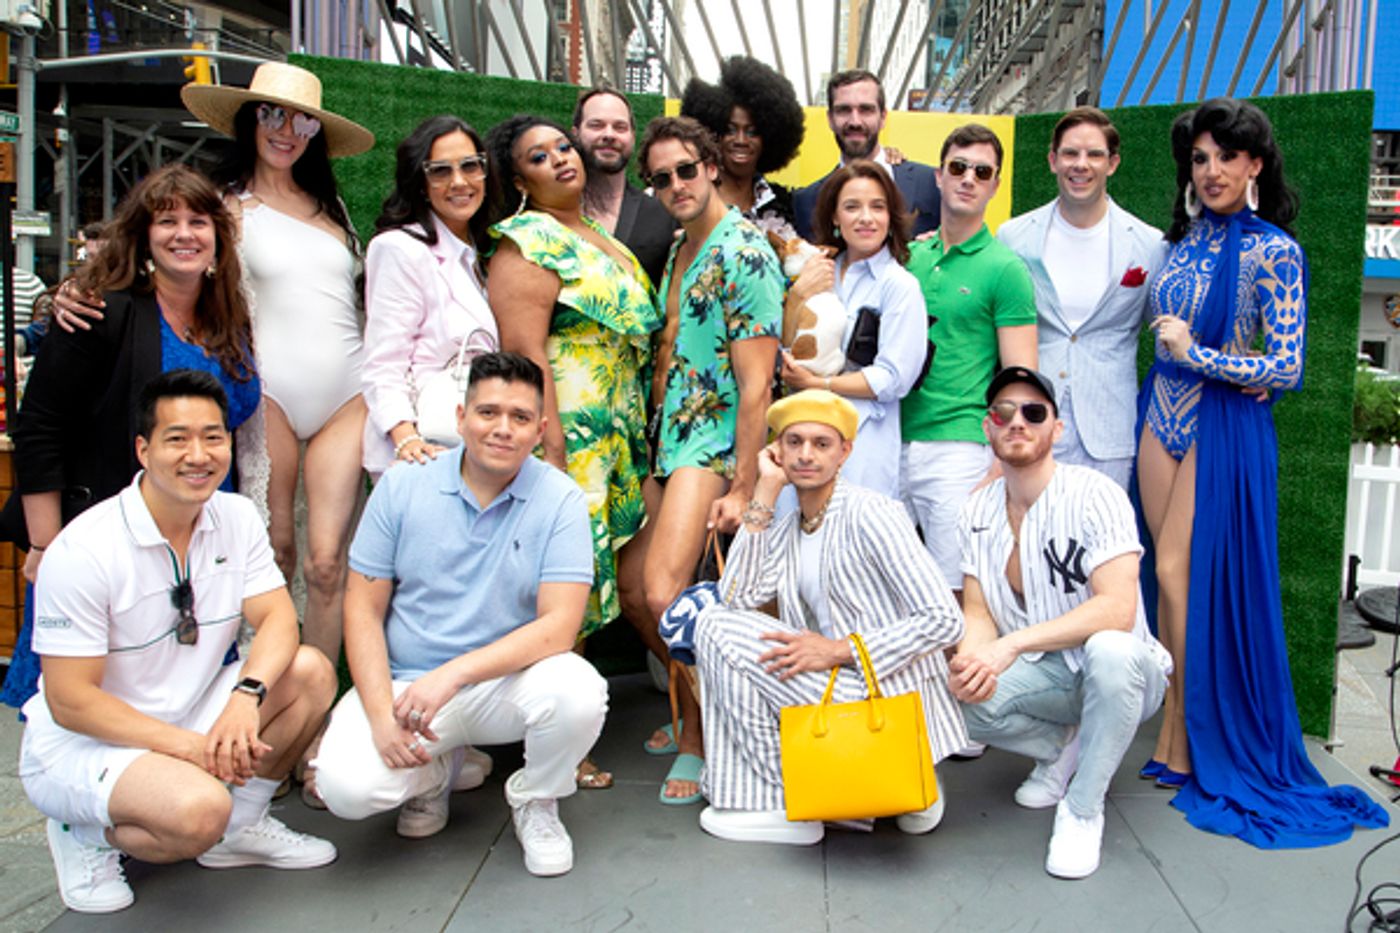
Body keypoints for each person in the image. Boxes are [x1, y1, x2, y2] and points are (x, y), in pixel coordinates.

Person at [1137, 98, 1388, 846]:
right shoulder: (1178, 244)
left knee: (1182, 572)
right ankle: (1177, 723)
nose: (1211, 171)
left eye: (1226, 157)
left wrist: (1199, 354)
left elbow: (1285, 365)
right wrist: (1178, 358)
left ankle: (1185, 732)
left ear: (1255, 164)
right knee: (1164, 575)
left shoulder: (1276, 250)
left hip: (1222, 425)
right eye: (1200, 158)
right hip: (1161, 415)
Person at [19, 369, 337, 914]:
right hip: (89, 744)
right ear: (143, 450)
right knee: (198, 813)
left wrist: (246, 697)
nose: (199, 454)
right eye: (177, 438)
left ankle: (243, 827)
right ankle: (85, 834)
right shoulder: (86, 550)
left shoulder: (234, 515)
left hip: (189, 711)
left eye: (213, 437)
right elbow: (71, 702)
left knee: (310, 671)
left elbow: (279, 620)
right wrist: (191, 750)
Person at [313, 352, 606, 878]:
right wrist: (382, 716)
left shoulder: (560, 499)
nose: (502, 429)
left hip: (502, 682)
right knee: (346, 789)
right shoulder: (403, 485)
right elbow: (362, 608)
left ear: (540, 430)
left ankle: (536, 800)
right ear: (459, 418)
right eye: (488, 412)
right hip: (409, 688)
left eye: (520, 418)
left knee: (578, 690)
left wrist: (453, 675)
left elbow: (559, 627)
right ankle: (432, 775)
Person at [0, 163, 260, 711]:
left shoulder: (227, 319)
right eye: (167, 221)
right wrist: (46, 546)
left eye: (198, 221)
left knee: (182, 698)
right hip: (114, 543)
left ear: (218, 237)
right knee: (88, 704)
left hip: (201, 541)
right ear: (144, 234)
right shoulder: (99, 311)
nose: (184, 234)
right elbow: (40, 426)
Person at [694, 389, 965, 845]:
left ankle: (794, 800)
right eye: (794, 442)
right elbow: (737, 598)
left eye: (822, 444)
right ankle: (804, 796)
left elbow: (944, 620)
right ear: (776, 451)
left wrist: (839, 650)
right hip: (838, 689)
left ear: (846, 452)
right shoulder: (788, 527)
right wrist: (764, 490)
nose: (805, 455)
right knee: (716, 621)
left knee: (714, 627)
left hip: (886, 694)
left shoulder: (873, 514)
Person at [179, 60, 375, 669]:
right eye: (271, 114)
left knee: (326, 563)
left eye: (302, 123)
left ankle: (313, 725)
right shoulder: (220, 207)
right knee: (276, 551)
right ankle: (260, 696)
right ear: (248, 121)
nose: (285, 131)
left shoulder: (333, 210)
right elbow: (159, 266)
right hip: (267, 394)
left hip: (349, 394)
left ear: (316, 136)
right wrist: (79, 295)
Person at [485, 114, 660, 790]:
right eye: (539, 155)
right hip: (572, 438)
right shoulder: (525, 244)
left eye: (563, 146)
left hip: (621, 433)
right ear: (518, 177)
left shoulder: (597, 238)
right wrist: (551, 450)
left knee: (626, 582)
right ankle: (556, 749)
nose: (560, 159)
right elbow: (525, 358)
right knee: (569, 592)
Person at [951, 366, 1171, 879]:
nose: (1017, 422)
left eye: (1034, 412)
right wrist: (972, 661)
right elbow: (979, 612)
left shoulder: (1095, 493)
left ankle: (1082, 810)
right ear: (988, 427)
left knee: (1109, 651)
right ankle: (1066, 747)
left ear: (1057, 429)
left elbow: (1117, 609)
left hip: (1127, 675)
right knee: (950, 697)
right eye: (1003, 412)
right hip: (1048, 675)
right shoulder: (976, 510)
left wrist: (1010, 647)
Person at [620, 115, 783, 805]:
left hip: (711, 445)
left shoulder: (743, 248)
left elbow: (757, 386)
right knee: (634, 592)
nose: (676, 184)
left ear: (712, 165)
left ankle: (703, 739)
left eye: (687, 169)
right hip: (668, 440)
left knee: (667, 592)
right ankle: (690, 705)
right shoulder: (684, 247)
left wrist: (744, 484)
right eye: (661, 177)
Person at [996, 107, 1166, 490]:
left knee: (1103, 543)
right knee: (1027, 539)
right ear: (1053, 161)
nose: (1081, 165)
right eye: (1070, 154)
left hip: (1108, 428)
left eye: (1094, 155)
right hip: (1029, 423)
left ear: (1113, 164)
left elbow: (1168, 330)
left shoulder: (1148, 243)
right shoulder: (1014, 237)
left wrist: (1237, 358)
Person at [901, 123, 1037, 594]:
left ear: (996, 185)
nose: (968, 179)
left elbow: (1022, 379)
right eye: (958, 167)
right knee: (880, 592)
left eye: (982, 172)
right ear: (939, 175)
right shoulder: (907, 257)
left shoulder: (1006, 268)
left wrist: (999, 468)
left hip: (959, 450)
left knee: (955, 592)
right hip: (887, 442)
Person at [778, 160, 926, 498]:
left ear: (891, 216)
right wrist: (797, 296)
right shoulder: (814, 271)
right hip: (802, 439)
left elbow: (893, 378)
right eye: (852, 207)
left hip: (863, 443)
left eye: (878, 206)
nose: (866, 218)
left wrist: (820, 383)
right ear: (834, 216)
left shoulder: (899, 286)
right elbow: (786, 348)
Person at [362, 114, 499, 474]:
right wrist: (405, 438)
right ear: (421, 183)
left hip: (476, 447)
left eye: (470, 166)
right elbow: (384, 360)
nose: (459, 182)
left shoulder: (481, 254)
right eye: (440, 171)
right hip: (422, 450)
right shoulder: (399, 249)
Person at [792, 69, 941, 242]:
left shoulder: (930, 183)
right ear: (830, 119)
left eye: (866, 110)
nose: (855, 121)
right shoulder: (808, 201)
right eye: (844, 110)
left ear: (883, 117)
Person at [680, 56, 806, 233]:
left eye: (752, 132)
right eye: (730, 130)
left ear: (769, 138)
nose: (741, 140)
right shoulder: (695, 199)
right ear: (713, 134)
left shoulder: (785, 204)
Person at [573, 86, 676, 287]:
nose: (609, 135)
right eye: (596, 125)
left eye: (620, 127)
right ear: (575, 134)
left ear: (632, 137)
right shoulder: (552, 214)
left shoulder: (664, 216)